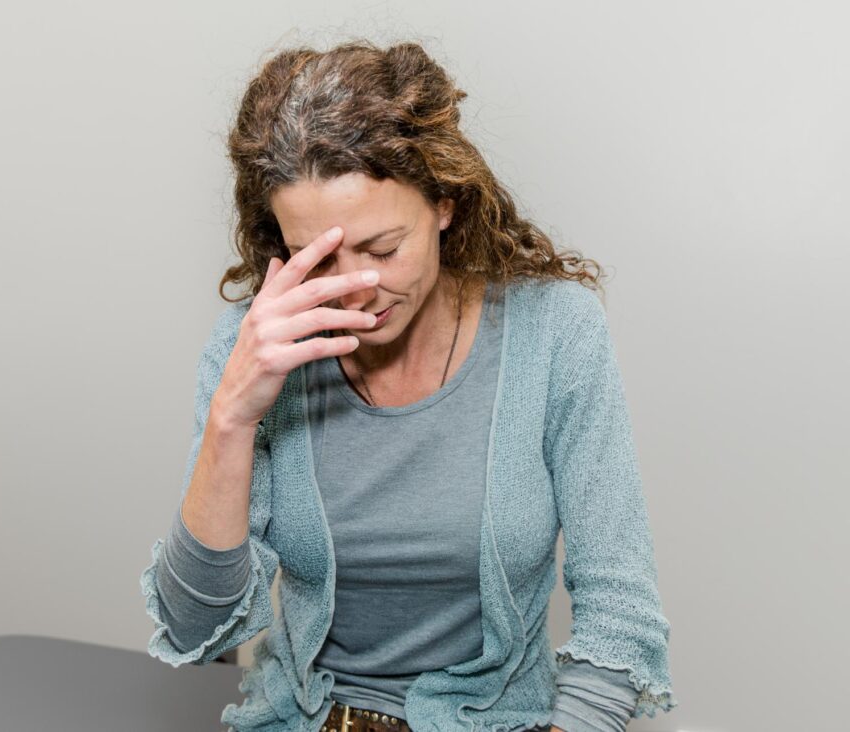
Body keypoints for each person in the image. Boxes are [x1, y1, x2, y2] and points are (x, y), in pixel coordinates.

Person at [141, 40, 677, 732]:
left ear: (445, 204)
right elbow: (196, 632)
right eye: (320, 259)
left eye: (383, 250)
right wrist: (232, 420)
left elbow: (621, 620)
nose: (357, 289)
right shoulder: (254, 350)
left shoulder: (554, 333)